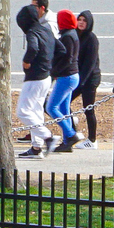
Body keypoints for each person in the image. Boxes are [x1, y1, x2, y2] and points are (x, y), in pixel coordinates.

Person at [17, 1, 60, 158]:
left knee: (23, 111)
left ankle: (48, 137)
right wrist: (49, 63)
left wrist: (27, 61)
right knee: (36, 111)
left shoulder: (32, 32)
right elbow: (60, 49)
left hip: (34, 78)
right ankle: (36, 148)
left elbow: (33, 48)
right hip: (46, 77)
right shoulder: (46, 30)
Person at [48, 9, 82, 153]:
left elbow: (66, 58)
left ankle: (70, 134)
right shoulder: (72, 34)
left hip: (66, 76)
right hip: (72, 75)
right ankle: (67, 142)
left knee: (51, 107)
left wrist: (54, 72)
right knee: (64, 109)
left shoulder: (67, 37)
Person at [74, 11, 101, 148]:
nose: (81, 22)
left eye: (84, 20)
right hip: (78, 77)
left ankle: (92, 140)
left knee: (88, 109)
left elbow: (90, 63)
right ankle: (72, 132)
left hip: (90, 79)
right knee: (63, 103)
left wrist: (81, 82)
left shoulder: (91, 39)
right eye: (79, 19)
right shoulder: (75, 35)